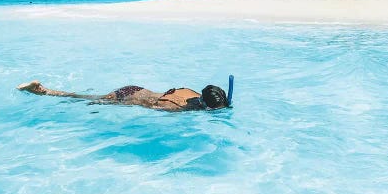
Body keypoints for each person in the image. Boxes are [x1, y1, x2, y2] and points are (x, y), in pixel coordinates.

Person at [17, 80, 229, 111]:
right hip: (128, 98)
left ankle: (45, 91)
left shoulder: (191, 92)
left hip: (134, 88)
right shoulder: (180, 108)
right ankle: (43, 91)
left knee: (89, 97)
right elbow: (155, 108)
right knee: (80, 99)